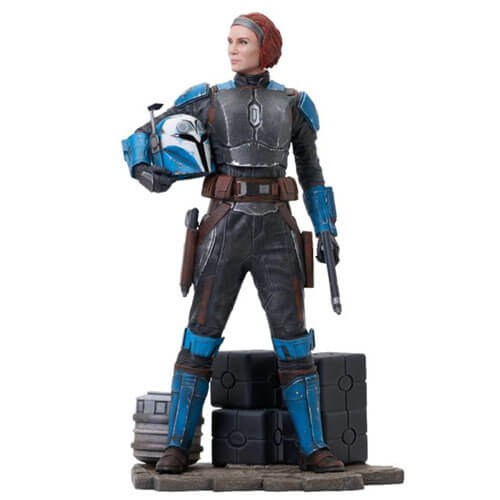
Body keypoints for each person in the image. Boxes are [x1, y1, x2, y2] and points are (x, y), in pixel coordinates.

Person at [122, 12, 342, 474]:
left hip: (277, 229)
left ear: (266, 48)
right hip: (224, 226)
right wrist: (144, 169)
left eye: (242, 41)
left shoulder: (295, 104)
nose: (233, 49)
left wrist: (326, 228)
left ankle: (314, 448)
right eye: (230, 41)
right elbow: (144, 136)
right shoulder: (208, 98)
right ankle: (177, 445)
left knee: (294, 342)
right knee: (200, 336)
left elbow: (312, 171)